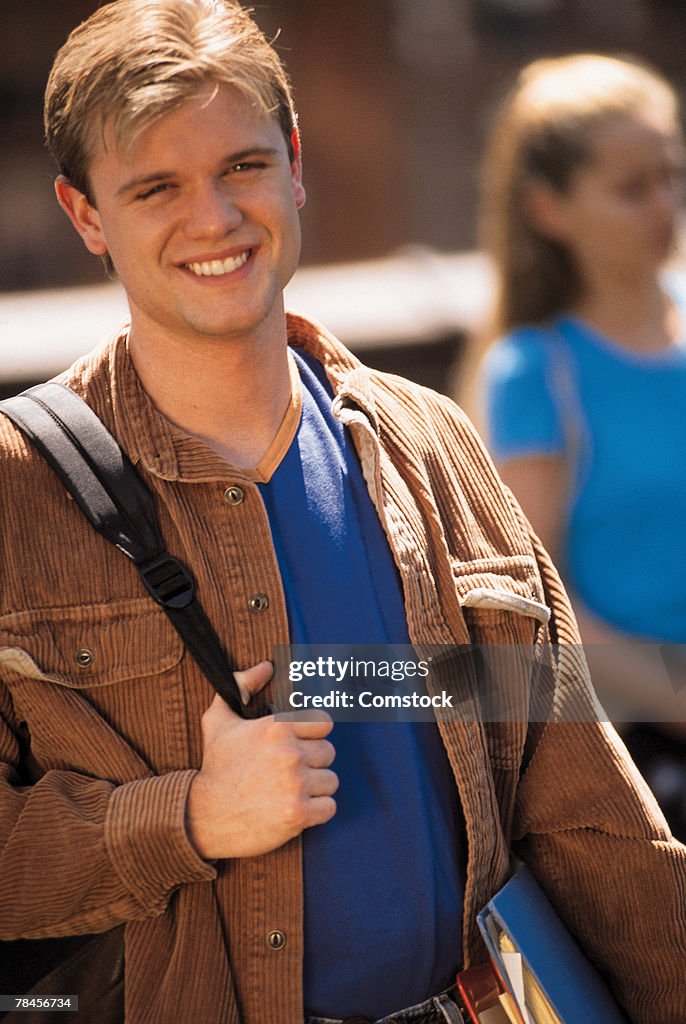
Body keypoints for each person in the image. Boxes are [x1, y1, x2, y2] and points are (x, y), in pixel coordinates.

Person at [0, 9, 685, 1022]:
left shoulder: (430, 445)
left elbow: (577, 803)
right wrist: (185, 816)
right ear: (86, 213)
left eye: (242, 166)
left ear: (294, 165)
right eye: (155, 187)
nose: (215, 218)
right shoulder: (20, 495)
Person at [474, 53, 686, 837]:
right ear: (549, 209)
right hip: (644, 747)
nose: (663, 204)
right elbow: (543, 612)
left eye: (672, 175)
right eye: (632, 188)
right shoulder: (536, 371)